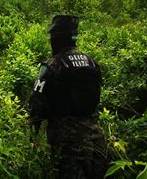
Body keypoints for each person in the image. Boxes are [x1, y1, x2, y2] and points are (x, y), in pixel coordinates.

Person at [29, 15, 108, 179]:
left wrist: (32, 137)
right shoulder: (91, 61)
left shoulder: (52, 65)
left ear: (57, 38)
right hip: (97, 139)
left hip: (69, 144)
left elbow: (36, 104)